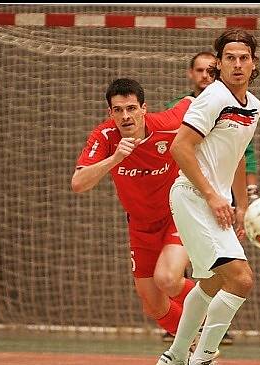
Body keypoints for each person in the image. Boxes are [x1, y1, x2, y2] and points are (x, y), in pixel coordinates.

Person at [155, 28, 260, 365]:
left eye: (243, 57)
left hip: (215, 202)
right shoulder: (212, 98)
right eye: (229, 58)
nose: (237, 64)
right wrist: (213, 196)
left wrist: (240, 206)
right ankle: (201, 361)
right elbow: (180, 148)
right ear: (219, 64)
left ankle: (175, 356)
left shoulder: (254, 106)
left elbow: (234, 161)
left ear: (254, 63)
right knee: (241, 279)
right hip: (191, 195)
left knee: (213, 281)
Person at [71, 78, 196, 340]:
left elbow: (191, 102)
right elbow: (79, 183)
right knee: (152, 303)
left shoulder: (168, 125)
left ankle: (216, 311)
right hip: (140, 225)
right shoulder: (105, 136)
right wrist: (116, 158)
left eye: (131, 108)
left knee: (169, 279)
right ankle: (192, 344)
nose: (125, 116)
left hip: (176, 215)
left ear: (143, 108)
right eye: (118, 110)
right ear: (110, 113)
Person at [166, 51, 260, 205]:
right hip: (191, 187)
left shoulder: (239, 106)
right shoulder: (176, 108)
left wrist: (250, 193)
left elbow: (243, 154)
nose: (205, 75)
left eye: (209, 70)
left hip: (225, 188)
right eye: (199, 70)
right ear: (190, 73)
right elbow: (176, 147)